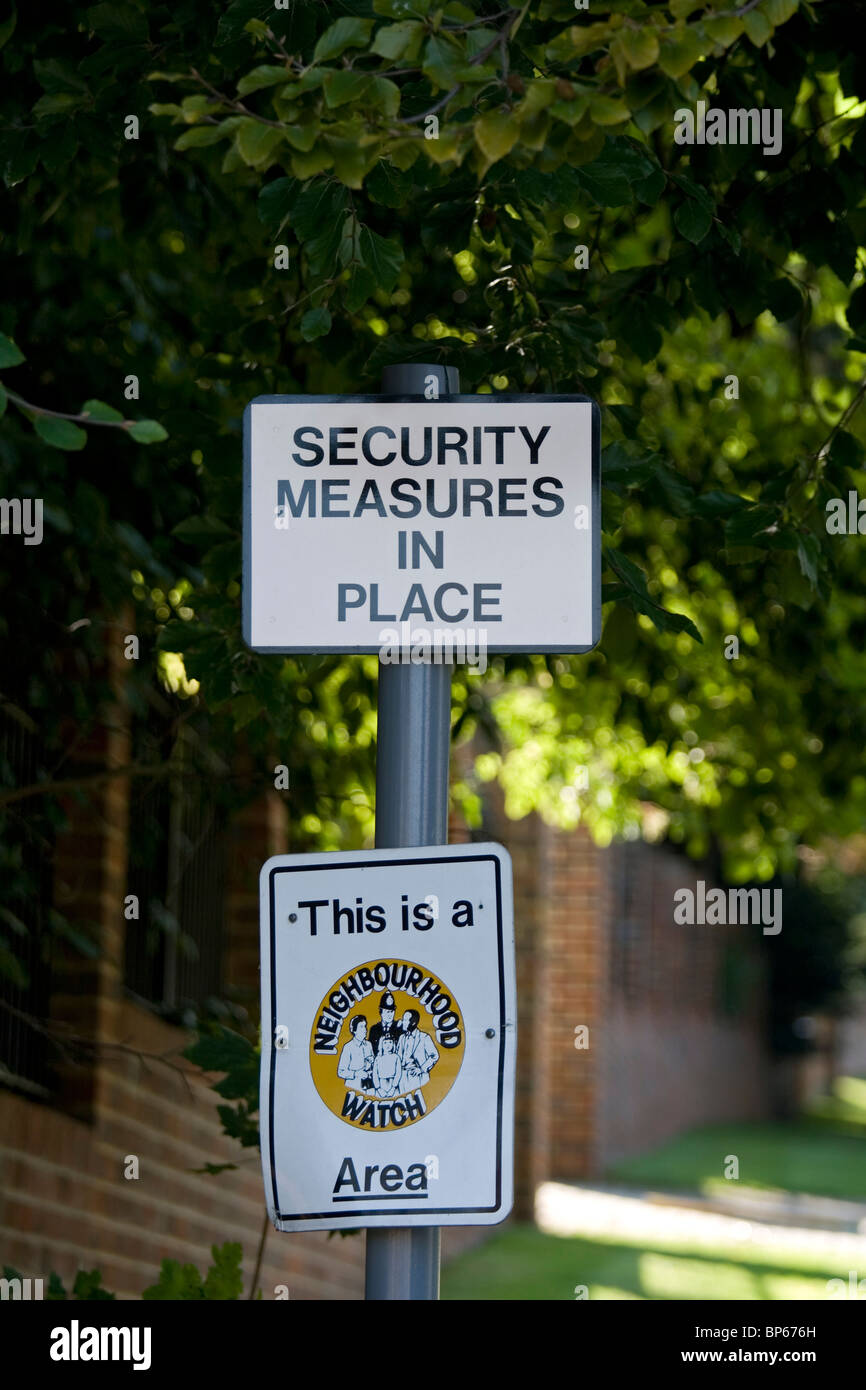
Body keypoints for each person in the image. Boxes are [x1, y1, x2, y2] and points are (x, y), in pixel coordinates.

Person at [397, 1008, 439, 1090]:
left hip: (418, 1077)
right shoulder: (402, 1037)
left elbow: (435, 1056)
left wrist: (421, 1069)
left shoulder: (424, 1037)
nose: (402, 1022)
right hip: (402, 1078)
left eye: (405, 1020)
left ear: (413, 1023)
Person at [337, 1015, 373, 1091]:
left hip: (368, 1086)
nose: (365, 1030)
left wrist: (372, 1062)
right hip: (353, 1087)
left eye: (365, 1026)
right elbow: (341, 1072)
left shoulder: (369, 1045)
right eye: (361, 1027)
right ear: (354, 1030)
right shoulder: (348, 1047)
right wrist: (356, 1073)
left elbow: (373, 1064)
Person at [369, 991, 399, 1056]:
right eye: (387, 1011)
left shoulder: (399, 1028)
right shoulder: (374, 1029)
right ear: (381, 1011)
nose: (390, 1015)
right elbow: (370, 1051)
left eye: (392, 1011)